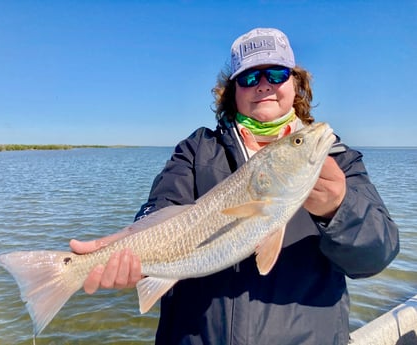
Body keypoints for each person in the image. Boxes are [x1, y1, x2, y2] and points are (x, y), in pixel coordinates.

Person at [70, 28, 399, 344]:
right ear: (232, 90)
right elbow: (161, 210)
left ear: (296, 83)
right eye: (250, 77)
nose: (264, 85)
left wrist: (338, 209)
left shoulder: (337, 160)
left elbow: (376, 256)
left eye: (277, 73)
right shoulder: (197, 150)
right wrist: (127, 247)